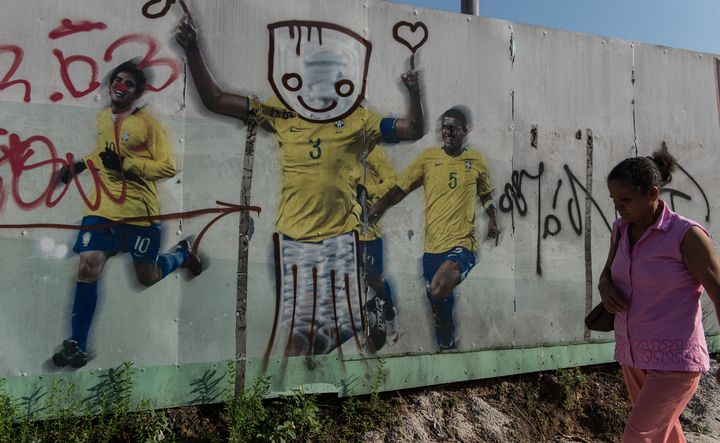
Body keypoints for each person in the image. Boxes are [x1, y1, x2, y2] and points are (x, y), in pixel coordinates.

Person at [174, 15, 424, 355]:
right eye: (312, 75)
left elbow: (412, 129)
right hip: (292, 241)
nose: (318, 83)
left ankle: (293, 395)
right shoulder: (281, 111)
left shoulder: (357, 119)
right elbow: (216, 100)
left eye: (328, 76)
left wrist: (414, 93)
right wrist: (192, 48)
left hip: (339, 242)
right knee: (306, 345)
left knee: (299, 346)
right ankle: (361, 318)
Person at [52, 61, 202, 368]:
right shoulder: (103, 118)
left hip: (139, 216)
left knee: (147, 277)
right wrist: (79, 166)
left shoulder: (148, 125)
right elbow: (103, 153)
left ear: (137, 93)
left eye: (128, 83)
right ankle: (77, 345)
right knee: (88, 263)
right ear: (110, 85)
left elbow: (169, 166)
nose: (120, 85)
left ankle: (182, 254)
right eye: (117, 79)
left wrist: (128, 165)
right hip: (102, 210)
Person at [598, 147, 720, 442]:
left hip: (676, 362)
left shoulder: (686, 235)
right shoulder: (620, 229)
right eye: (614, 200)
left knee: (638, 438)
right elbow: (607, 274)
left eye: (626, 199)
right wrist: (605, 288)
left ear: (652, 194)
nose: (618, 207)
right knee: (665, 435)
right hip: (633, 354)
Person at [369, 107, 499, 350]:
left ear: (464, 131)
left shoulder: (476, 161)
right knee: (439, 303)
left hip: (463, 244)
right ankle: (447, 345)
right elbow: (401, 188)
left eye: (452, 128)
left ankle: (447, 342)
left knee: (438, 289)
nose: (447, 132)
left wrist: (492, 218)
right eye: (444, 128)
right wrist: (381, 206)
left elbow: (486, 194)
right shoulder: (428, 159)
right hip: (432, 249)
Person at [357, 146, 399, 349]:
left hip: (368, 232)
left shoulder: (370, 149)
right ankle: (364, 320)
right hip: (341, 229)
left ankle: (389, 312)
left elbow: (392, 182)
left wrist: (367, 191)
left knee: (373, 278)